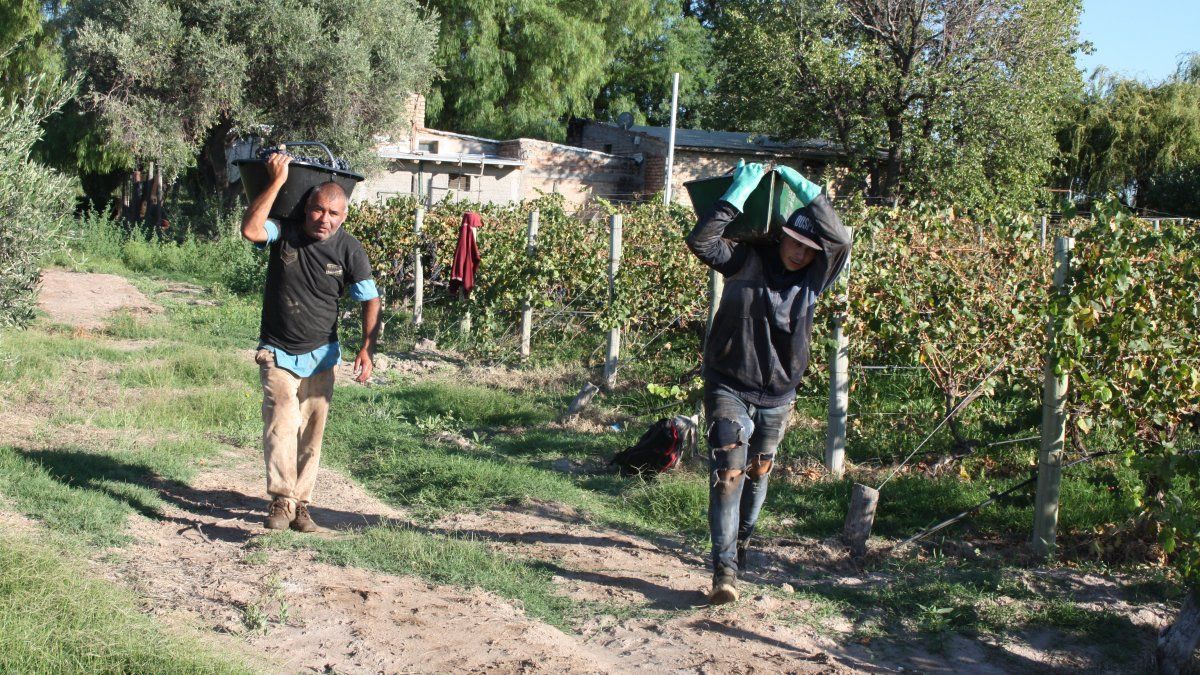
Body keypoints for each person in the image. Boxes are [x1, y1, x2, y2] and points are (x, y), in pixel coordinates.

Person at [686, 161, 851, 604]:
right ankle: (724, 571)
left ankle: (740, 546)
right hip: (729, 384)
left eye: (809, 246)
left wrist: (805, 186)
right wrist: (737, 193)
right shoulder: (746, 259)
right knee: (728, 475)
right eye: (794, 241)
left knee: (759, 472)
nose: (799, 252)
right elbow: (701, 241)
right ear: (781, 236)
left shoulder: (816, 281)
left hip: (779, 394)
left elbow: (843, 238)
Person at [240, 152, 381, 532]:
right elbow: (251, 230)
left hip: (322, 355)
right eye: (319, 210)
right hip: (277, 350)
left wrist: (367, 347)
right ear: (306, 208)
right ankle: (282, 501)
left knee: (311, 433)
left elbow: (371, 297)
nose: (325, 220)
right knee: (281, 421)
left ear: (344, 216)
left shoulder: (350, 249)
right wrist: (276, 181)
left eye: (334, 214)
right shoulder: (284, 231)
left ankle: (302, 504)